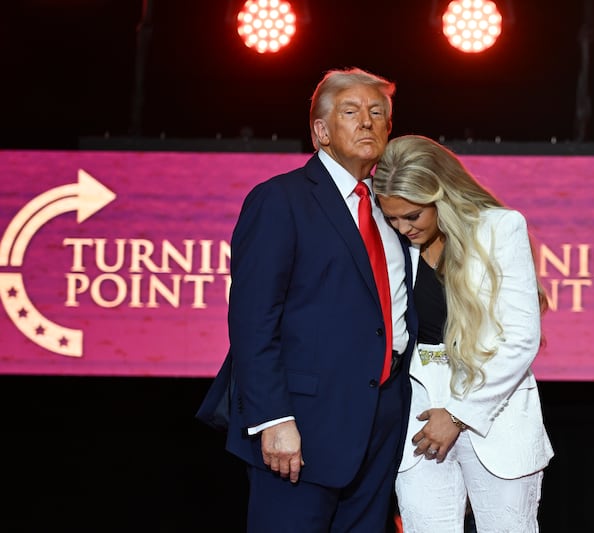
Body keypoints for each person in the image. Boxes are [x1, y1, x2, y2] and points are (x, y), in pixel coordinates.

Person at [196, 68, 418, 532]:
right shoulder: (280, 200)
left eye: (378, 113)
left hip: (383, 422)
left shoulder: (393, 209)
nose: (367, 122)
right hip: (301, 424)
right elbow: (254, 320)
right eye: (351, 111)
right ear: (321, 131)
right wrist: (272, 418)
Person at [373, 135, 554, 533]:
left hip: (496, 412)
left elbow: (521, 339)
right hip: (417, 414)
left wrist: (458, 414)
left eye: (412, 216)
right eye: (392, 218)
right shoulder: (394, 242)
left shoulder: (500, 228)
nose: (402, 227)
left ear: (440, 194)